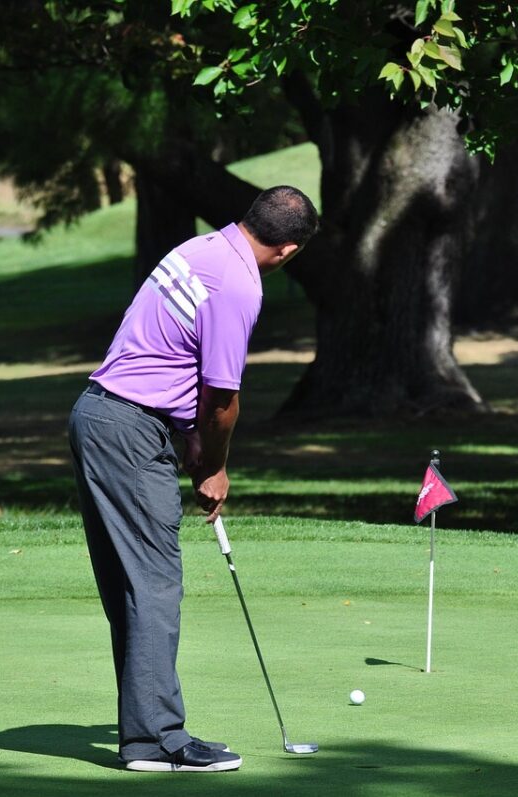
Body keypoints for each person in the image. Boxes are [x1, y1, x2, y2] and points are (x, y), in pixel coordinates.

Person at [68, 186, 319, 773]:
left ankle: (143, 737)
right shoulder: (237, 283)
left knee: (132, 587)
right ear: (286, 250)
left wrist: (190, 439)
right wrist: (213, 465)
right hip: (130, 429)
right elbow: (224, 397)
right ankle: (160, 741)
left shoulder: (202, 248)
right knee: (154, 584)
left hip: (100, 416)